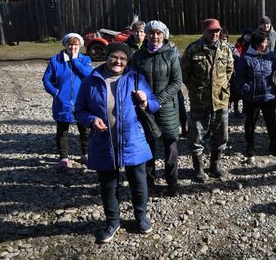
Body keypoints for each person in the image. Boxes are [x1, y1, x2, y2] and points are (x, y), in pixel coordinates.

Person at [75, 42, 159, 243]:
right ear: (107, 56)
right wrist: (90, 120)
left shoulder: (135, 78)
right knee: (108, 186)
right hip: (104, 141)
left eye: (123, 58)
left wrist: (146, 100)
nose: (118, 61)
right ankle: (113, 222)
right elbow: (79, 109)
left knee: (139, 183)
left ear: (127, 60)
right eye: (114, 57)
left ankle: (141, 217)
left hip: (133, 140)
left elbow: (155, 104)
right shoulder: (91, 80)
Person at [131, 20, 182, 197]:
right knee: (148, 148)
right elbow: (133, 79)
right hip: (145, 109)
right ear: (146, 34)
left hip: (168, 108)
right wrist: (141, 99)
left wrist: (158, 100)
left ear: (164, 35)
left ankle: (172, 184)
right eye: (151, 33)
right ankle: (149, 184)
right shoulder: (138, 56)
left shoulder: (171, 53)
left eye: (158, 33)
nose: (155, 36)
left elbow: (177, 82)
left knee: (170, 149)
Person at [181, 18, 234, 183]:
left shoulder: (225, 49)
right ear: (204, 31)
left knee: (221, 135)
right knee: (196, 137)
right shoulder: (193, 49)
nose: (215, 34)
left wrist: (222, 88)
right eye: (211, 31)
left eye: (217, 31)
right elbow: (185, 74)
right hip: (200, 102)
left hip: (220, 101)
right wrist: (197, 90)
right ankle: (198, 170)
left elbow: (229, 70)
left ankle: (215, 166)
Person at [42, 33, 92, 171]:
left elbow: (88, 75)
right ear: (65, 45)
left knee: (84, 130)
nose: (73, 47)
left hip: (82, 101)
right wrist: (56, 93)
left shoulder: (84, 59)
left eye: (76, 44)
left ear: (80, 46)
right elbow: (46, 80)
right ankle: (63, 157)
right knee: (62, 131)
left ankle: (86, 154)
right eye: (70, 44)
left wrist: (75, 60)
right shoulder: (55, 60)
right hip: (62, 102)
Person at [235, 30, 276, 162]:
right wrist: (245, 87)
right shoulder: (246, 58)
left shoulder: (271, 56)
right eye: (263, 42)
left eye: (266, 42)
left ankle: (273, 144)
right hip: (252, 97)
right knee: (250, 122)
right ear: (255, 44)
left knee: (271, 121)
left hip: (269, 96)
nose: (265, 44)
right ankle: (250, 146)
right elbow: (238, 76)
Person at [221, 29, 242, 117]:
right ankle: (225, 110)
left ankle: (236, 111)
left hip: (232, 75)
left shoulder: (232, 47)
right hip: (221, 75)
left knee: (235, 93)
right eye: (221, 39)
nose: (223, 41)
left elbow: (238, 58)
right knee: (224, 93)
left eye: (224, 39)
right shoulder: (216, 48)